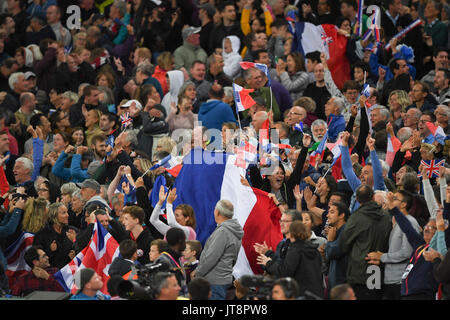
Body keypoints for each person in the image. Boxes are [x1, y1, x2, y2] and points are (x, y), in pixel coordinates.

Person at [339, 184, 392, 300]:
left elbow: (343, 244)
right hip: (379, 269)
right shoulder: (386, 216)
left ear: (357, 199)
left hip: (359, 273)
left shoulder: (356, 218)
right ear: (373, 197)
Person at [365, 190, 420, 300]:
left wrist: (383, 257)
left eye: (394, 199)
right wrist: (381, 257)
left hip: (401, 280)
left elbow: (407, 252)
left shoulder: (410, 222)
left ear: (404, 204)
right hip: (390, 280)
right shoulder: (397, 223)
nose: (390, 201)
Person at [257, 220, 324, 298]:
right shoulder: (314, 249)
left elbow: (285, 271)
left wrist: (268, 263)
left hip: (301, 294)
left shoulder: (295, 249)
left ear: (291, 234)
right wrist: (269, 254)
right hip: (316, 294)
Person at [194, 200, 243, 300]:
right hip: (222, 280)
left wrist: (197, 273)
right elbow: (233, 259)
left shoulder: (223, 231)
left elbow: (211, 258)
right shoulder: (234, 230)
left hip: (215, 283)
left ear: (217, 212)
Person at [324, 201, 350, 290]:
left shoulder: (346, 231)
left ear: (342, 215)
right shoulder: (336, 232)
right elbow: (328, 256)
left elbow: (333, 253)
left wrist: (330, 241)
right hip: (335, 283)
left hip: (342, 284)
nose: (327, 215)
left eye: (332, 212)